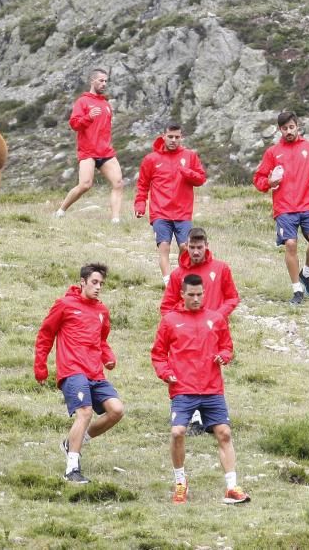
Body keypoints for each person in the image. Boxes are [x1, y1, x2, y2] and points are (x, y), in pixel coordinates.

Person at [151, 274, 250, 505]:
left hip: (212, 388)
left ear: (204, 294)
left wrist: (224, 356)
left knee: (224, 433)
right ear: (182, 294)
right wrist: (165, 373)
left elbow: (227, 346)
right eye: (191, 295)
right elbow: (158, 353)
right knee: (177, 432)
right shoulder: (170, 320)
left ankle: (232, 487)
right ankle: (180, 483)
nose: (196, 299)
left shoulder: (216, 319)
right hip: (182, 388)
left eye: (199, 294)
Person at [34, 263, 125, 483]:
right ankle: (71, 469)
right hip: (72, 371)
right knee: (85, 412)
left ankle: (73, 442)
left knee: (117, 410)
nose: (98, 287)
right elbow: (46, 334)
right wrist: (41, 365)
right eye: (94, 282)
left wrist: (108, 356)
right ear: (82, 282)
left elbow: (102, 341)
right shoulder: (64, 305)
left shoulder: (102, 311)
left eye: (101, 284)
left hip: (95, 373)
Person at [160, 226, 240, 435]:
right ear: (186, 247)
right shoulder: (178, 274)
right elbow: (166, 306)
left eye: (200, 247)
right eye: (192, 247)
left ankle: (212, 415)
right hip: (187, 332)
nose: (196, 251)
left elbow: (232, 297)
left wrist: (219, 316)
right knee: (187, 367)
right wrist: (179, 323)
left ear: (207, 246)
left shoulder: (221, 268)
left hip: (213, 331)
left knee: (213, 366)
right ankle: (193, 418)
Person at [253, 110, 309, 305]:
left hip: (308, 205)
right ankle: (297, 290)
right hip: (284, 208)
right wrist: (270, 182)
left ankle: (306, 273)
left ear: (297, 126)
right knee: (290, 244)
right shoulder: (272, 152)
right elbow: (258, 179)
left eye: (291, 127)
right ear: (279, 130)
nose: (288, 131)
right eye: (284, 128)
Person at [134, 122, 207, 285]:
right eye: (170, 137)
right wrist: (140, 204)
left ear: (182, 138)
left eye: (177, 137)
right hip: (160, 212)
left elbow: (201, 179)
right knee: (164, 247)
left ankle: (181, 277)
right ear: (163, 136)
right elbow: (142, 184)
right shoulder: (151, 159)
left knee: (185, 247)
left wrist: (187, 172)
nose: (174, 140)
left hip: (183, 212)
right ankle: (168, 282)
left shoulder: (190, 156)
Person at [54, 69, 124, 223]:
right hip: (88, 151)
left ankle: (115, 220)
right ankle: (61, 211)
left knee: (118, 183)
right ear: (92, 81)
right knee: (85, 185)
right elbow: (74, 124)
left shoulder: (106, 104)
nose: (104, 84)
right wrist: (88, 117)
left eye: (106, 81)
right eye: (101, 80)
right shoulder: (82, 101)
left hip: (106, 151)